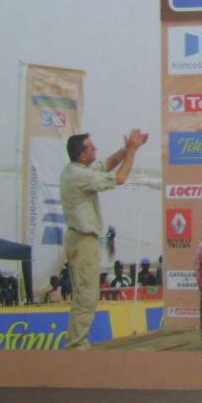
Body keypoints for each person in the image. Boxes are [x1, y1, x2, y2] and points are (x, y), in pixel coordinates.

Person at [60, 128, 148, 350]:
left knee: (83, 293)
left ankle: (76, 342)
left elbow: (108, 164)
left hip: (79, 238)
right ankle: (77, 345)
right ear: (82, 155)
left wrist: (126, 149)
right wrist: (132, 152)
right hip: (83, 239)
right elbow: (119, 178)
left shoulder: (76, 170)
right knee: (87, 295)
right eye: (91, 147)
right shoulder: (80, 176)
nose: (96, 149)